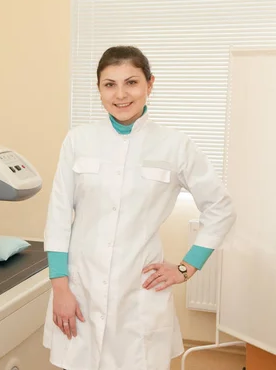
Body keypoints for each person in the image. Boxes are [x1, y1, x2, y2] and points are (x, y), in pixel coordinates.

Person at [41, 46, 237, 370]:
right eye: (109, 84)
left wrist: (187, 267)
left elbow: (221, 208)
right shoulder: (78, 141)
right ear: (99, 88)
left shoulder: (175, 146)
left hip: (139, 291)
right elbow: (59, 215)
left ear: (150, 84)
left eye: (131, 82)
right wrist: (60, 287)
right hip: (80, 288)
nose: (120, 95)